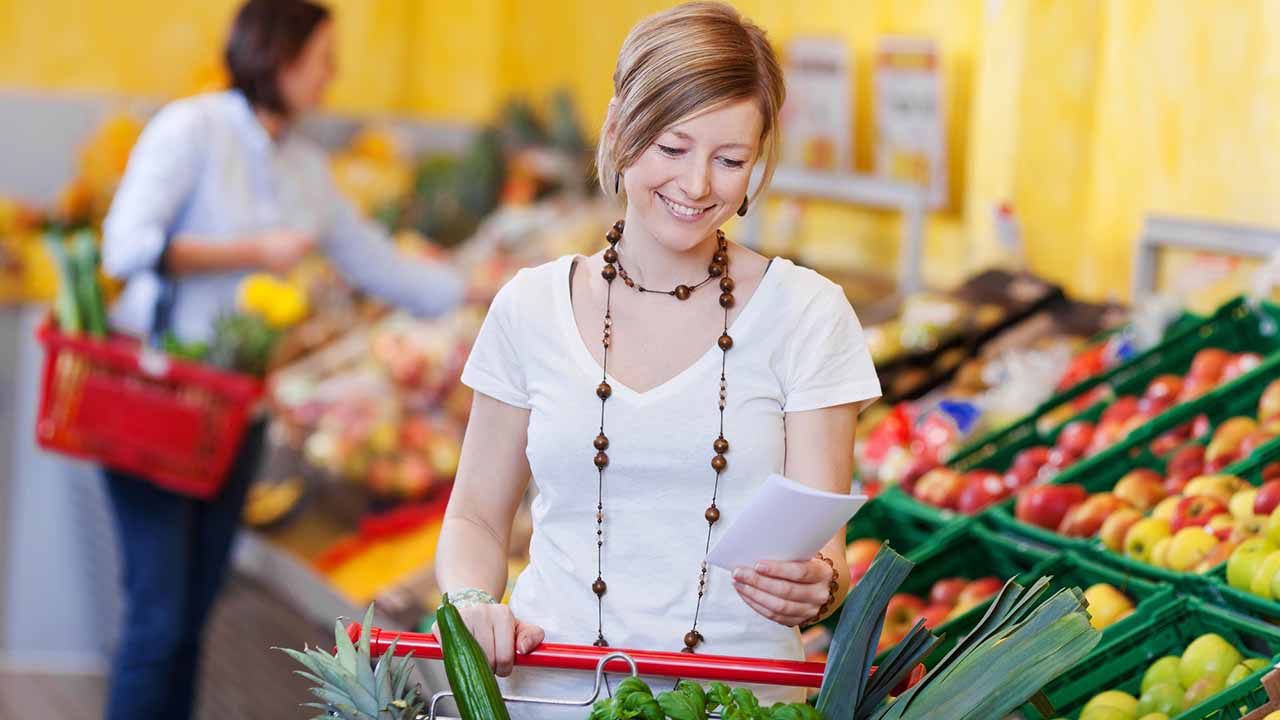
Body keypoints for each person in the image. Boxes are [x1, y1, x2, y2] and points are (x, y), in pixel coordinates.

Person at [433, 3, 880, 716]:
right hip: (552, 695)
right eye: (673, 148)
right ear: (618, 129)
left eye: (731, 160)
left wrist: (820, 586)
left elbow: (827, 553)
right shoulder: (529, 308)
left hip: (742, 705)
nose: (699, 185)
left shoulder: (808, 314)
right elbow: (477, 521)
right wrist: (470, 600)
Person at [98, 1, 463, 718]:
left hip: (238, 418)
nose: (332, 78)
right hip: (159, 408)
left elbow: (378, 265)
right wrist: (254, 254)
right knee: (158, 620)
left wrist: (496, 289)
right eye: (322, 59)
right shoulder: (193, 129)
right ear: (278, 54)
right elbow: (126, 247)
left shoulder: (303, 166)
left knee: (193, 620)